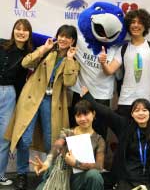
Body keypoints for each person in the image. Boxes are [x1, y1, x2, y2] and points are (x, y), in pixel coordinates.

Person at [4, 24, 80, 190]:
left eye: (68, 37)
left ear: (72, 40)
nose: (63, 39)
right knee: (24, 139)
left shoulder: (73, 60)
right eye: (61, 35)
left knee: (51, 141)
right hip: (31, 98)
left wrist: (68, 59)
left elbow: (69, 82)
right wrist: (44, 48)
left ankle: (48, 173)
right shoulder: (48, 50)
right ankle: (22, 173)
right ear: (57, 36)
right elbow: (25, 62)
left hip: (52, 103)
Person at [99, 9, 150, 118]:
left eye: (140, 22)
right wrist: (103, 62)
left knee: (148, 134)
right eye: (133, 22)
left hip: (149, 100)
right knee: (126, 134)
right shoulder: (123, 49)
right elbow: (109, 71)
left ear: (145, 26)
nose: (136, 25)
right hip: (126, 101)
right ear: (128, 26)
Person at [30, 99, 105, 190]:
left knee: (94, 176)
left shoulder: (99, 140)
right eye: (78, 115)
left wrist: (76, 163)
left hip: (80, 179)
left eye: (86, 114)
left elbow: (99, 166)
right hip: (60, 174)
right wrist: (47, 163)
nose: (82, 119)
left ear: (93, 114)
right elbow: (57, 147)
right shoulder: (67, 132)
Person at [0, 19, 33, 186]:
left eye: (25, 30)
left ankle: (0, 175)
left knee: (4, 137)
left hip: (10, 95)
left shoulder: (29, 55)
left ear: (29, 33)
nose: (21, 32)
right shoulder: (2, 44)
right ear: (13, 30)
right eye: (18, 29)